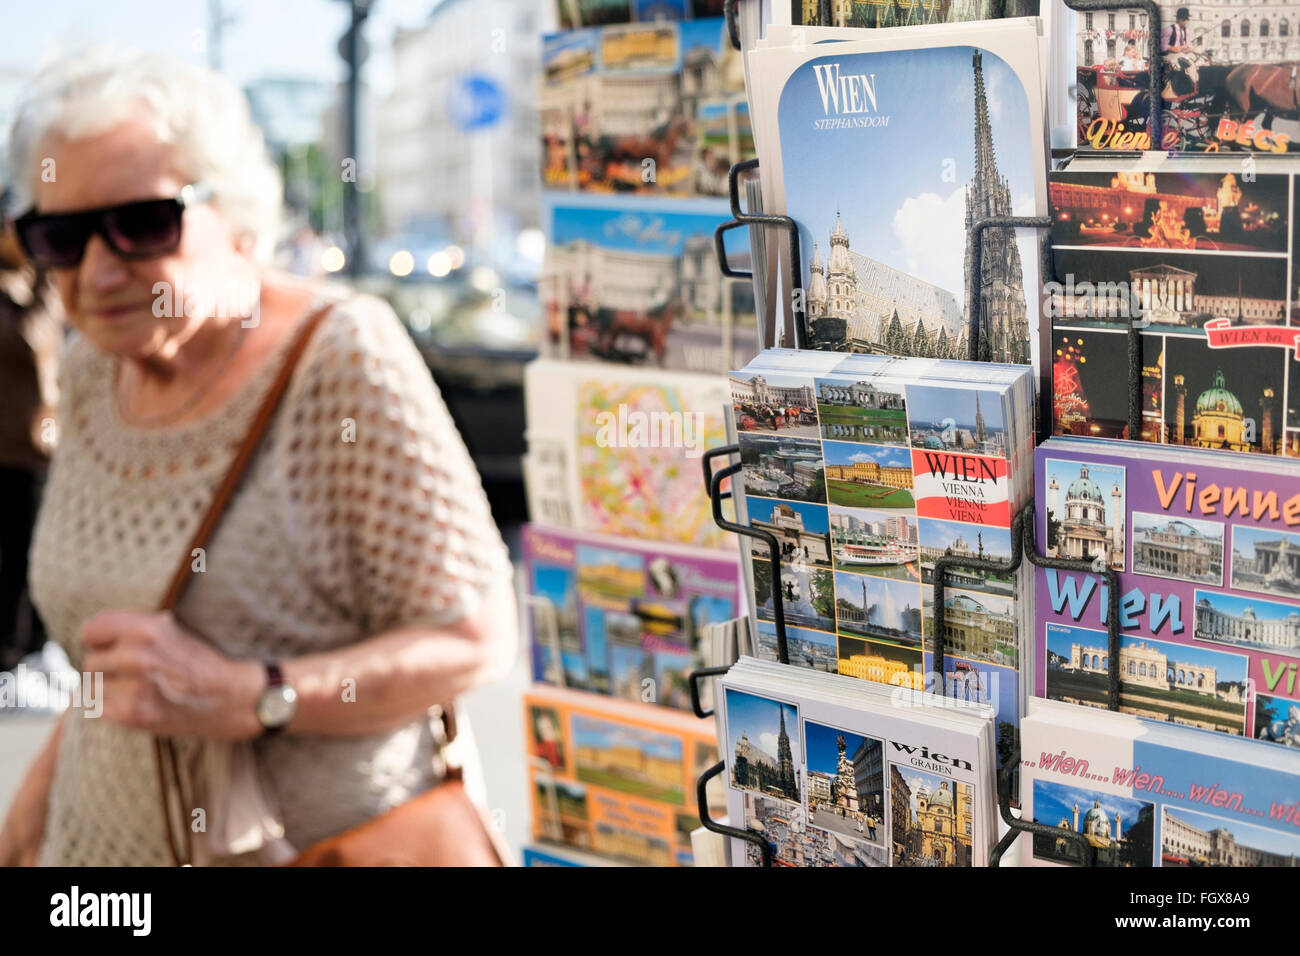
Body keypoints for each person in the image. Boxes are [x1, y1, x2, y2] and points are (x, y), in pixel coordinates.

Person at [0, 49, 517, 867]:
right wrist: (25, 829)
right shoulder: (97, 364)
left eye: (143, 224)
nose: (99, 270)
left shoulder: (339, 356)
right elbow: (116, 673)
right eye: (59, 236)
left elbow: (476, 639)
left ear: (238, 219)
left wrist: (253, 696)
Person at [0, 192, 62, 673]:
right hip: (14, 445)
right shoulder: (16, 291)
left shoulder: (29, 282)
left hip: (33, 446)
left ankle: (29, 648)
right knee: (16, 557)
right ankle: (13, 653)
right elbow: (33, 334)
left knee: (33, 554)